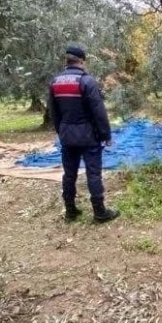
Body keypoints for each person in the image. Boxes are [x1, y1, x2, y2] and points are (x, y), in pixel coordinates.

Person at [48, 45, 120, 223]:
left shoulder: (55, 82)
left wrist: (61, 131)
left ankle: (70, 211)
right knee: (93, 173)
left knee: (69, 174)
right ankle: (99, 212)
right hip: (88, 137)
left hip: (67, 136)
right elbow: (99, 112)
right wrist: (106, 135)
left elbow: (54, 113)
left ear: (67, 60)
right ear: (81, 61)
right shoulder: (87, 81)